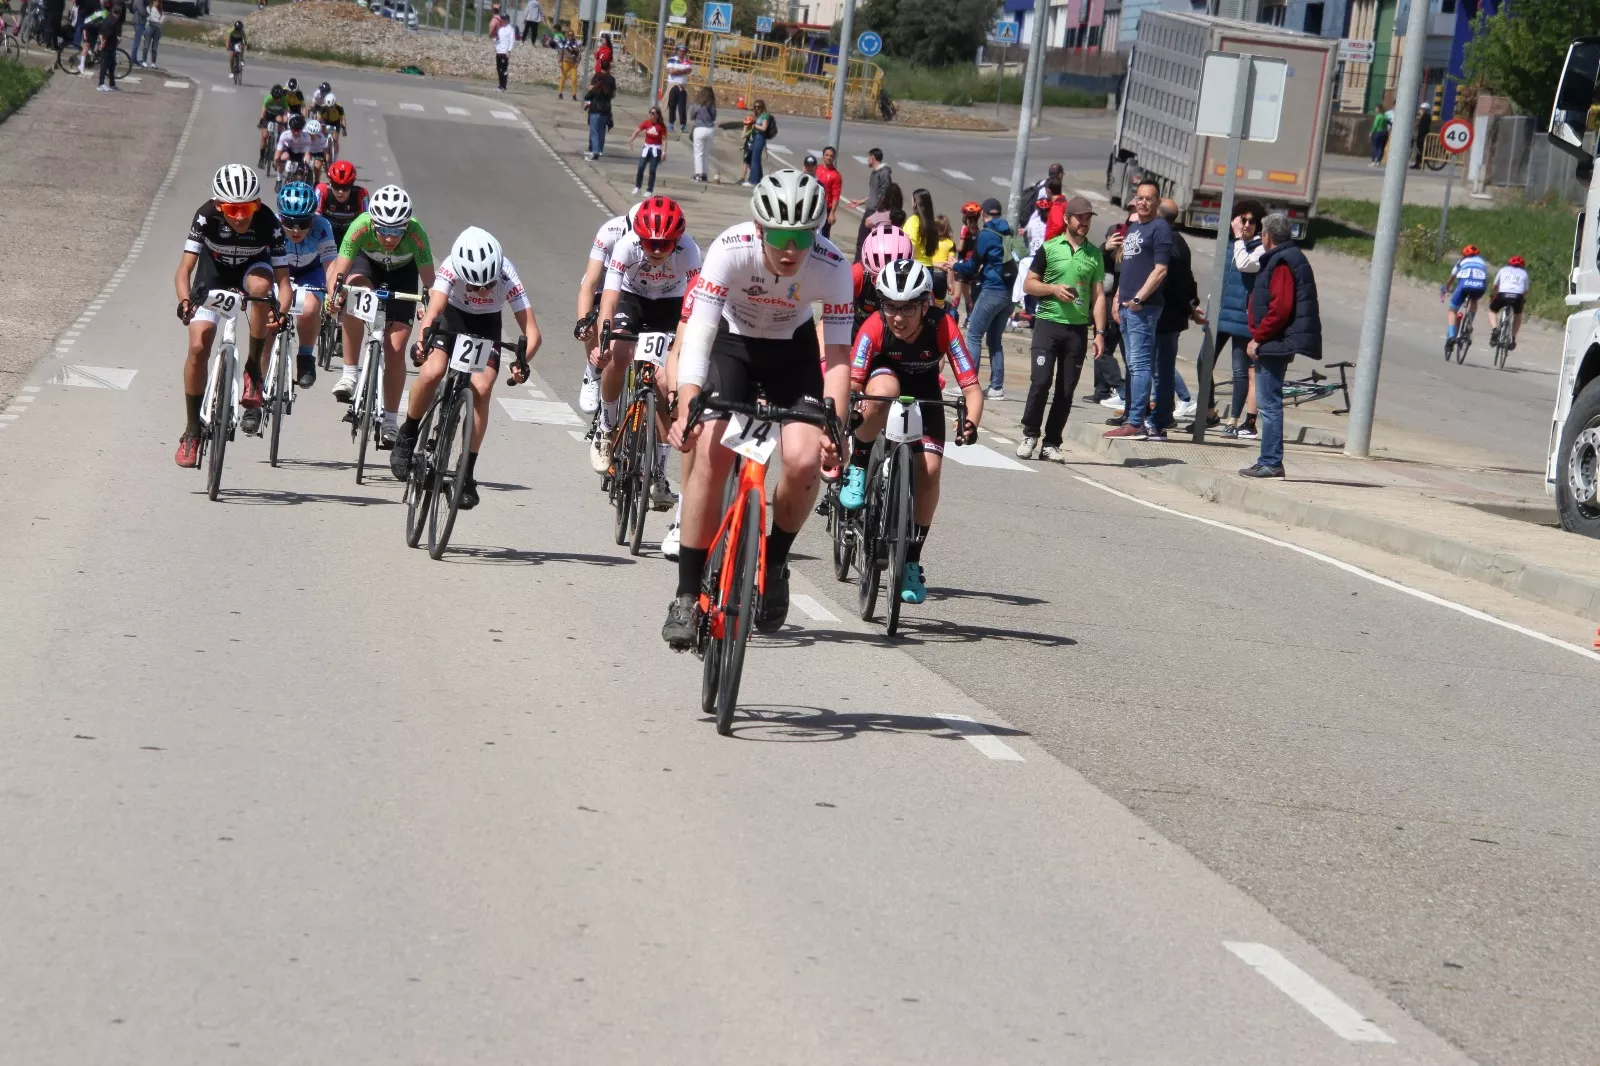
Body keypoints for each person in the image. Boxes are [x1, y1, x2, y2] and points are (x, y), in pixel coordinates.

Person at [659, 170, 849, 647]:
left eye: (803, 236)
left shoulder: (831, 266)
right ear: (760, 229)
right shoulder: (731, 248)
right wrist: (687, 408)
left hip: (793, 354)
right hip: (732, 345)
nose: (792, 248)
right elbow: (699, 336)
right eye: (782, 236)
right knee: (710, 450)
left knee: (805, 459)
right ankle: (685, 595)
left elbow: (841, 357)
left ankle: (776, 560)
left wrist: (836, 427)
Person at [838, 260, 983, 602]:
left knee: (929, 471)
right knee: (883, 390)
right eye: (890, 307)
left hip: (926, 392)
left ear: (925, 304)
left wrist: (970, 423)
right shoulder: (875, 326)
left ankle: (913, 561)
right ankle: (859, 467)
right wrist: (855, 414)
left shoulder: (943, 325)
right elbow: (854, 384)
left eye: (907, 308)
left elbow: (972, 389)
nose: (898, 318)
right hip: (882, 380)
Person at [392, 228, 542, 510]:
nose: (483, 291)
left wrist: (523, 361)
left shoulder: (507, 274)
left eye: (488, 284)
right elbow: (433, 311)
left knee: (482, 387)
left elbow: (532, 333)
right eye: (474, 286)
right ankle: (408, 432)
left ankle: (466, 472)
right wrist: (422, 342)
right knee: (432, 371)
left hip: (486, 325)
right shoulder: (450, 267)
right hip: (453, 316)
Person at [591, 196, 701, 527]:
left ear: (677, 240)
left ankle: (658, 471)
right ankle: (607, 426)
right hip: (632, 299)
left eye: (664, 243)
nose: (656, 249)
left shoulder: (690, 252)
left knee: (667, 381)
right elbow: (608, 299)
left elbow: (699, 304)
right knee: (621, 354)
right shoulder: (626, 246)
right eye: (650, 243)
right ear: (639, 237)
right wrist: (604, 341)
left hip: (670, 305)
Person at [171, 164, 291, 466]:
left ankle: (252, 371)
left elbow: (284, 283)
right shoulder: (206, 216)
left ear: (258, 204)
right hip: (213, 276)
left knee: (263, 290)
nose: (240, 216)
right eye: (231, 209)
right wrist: (185, 301)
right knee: (198, 348)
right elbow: (185, 269)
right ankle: (192, 430)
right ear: (218, 205)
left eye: (247, 208)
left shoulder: (268, 222)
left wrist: (282, 312)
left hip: (253, 271)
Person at [325, 185, 435, 449]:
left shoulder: (417, 235)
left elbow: (431, 283)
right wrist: (333, 298)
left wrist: (427, 306)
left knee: (395, 348)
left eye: (396, 231)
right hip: (368, 265)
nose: (389, 238)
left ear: (406, 227)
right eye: (383, 230)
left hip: (403, 273)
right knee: (353, 292)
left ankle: (389, 420)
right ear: (373, 223)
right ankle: (350, 372)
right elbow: (338, 273)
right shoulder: (361, 225)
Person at [1017, 196, 1106, 461]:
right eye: (1080, 218)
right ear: (1067, 219)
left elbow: (1099, 296)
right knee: (1041, 381)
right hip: (1047, 324)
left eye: (1088, 218)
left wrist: (1100, 332)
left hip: (1077, 330)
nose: (1085, 223)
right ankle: (1030, 434)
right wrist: (1053, 289)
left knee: (1065, 391)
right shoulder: (1050, 248)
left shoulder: (1094, 254)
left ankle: (1051, 443)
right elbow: (1029, 284)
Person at [1241, 213, 1321, 479]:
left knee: (1269, 404)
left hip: (1275, 342)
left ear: (1267, 236)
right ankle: (1267, 459)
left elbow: (1280, 308)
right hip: (1274, 340)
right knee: (1268, 403)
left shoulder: (1283, 261)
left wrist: (1259, 338)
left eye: (1261, 233)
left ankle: (1271, 461)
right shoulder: (1284, 258)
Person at [1103, 180, 1169, 439]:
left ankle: (1136, 422)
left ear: (1157, 202)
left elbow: (1160, 269)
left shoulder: (1159, 228)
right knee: (1132, 365)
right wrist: (1119, 297)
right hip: (1127, 306)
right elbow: (1126, 266)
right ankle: (1132, 416)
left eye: (1149, 198)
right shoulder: (1133, 228)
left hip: (1143, 308)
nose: (1143, 202)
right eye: (1140, 198)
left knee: (1140, 365)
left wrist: (1139, 299)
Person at [575, 203, 644, 417]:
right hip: (608, 276)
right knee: (596, 314)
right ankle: (593, 372)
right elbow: (590, 284)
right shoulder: (609, 232)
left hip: (638, 281)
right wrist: (583, 322)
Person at [952, 198, 1018, 401]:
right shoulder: (1009, 231)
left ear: (983, 215)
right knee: (994, 340)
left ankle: (968, 385)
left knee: (973, 335)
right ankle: (996, 387)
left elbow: (972, 265)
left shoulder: (987, 234)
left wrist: (954, 265)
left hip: (992, 290)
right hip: (1009, 293)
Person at [274, 182, 337, 390]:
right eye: (289, 222)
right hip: (280, 271)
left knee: (309, 309)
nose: (295, 229)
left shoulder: (322, 227)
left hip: (311, 271)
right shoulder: (271, 225)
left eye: (303, 223)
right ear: (280, 217)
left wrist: (332, 293)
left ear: (313, 218)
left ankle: (306, 357)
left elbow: (330, 265)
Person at [1149, 199, 1203, 441]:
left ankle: (1160, 418)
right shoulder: (1179, 242)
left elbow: (1174, 282)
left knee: (1160, 370)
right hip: (1173, 315)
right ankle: (1164, 415)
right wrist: (1192, 305)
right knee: (1162, 368)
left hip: (1164, 315)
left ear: (1159, 217)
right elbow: (1189, 281)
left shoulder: (1167, 243)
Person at [1215, 200, 1265, 439]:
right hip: (1220, 314)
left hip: (1242, 318)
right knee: (1204, 363)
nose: (1245, 225)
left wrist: (1238, 238)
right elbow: (1220, 277)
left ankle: (1233, 419)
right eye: (1242, 220)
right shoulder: (1227, 245)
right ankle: (1207, 411)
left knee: (1239, 371)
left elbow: (1246, 265)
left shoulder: (1259, 249)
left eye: (1251, 221)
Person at [853, 223, 914, 334]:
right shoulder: (857, 273)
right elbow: (830, 316)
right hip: (856, 331)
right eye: (875, 278)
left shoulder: (916, 278)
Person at [846, 148, 892, 258]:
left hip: (874, 212)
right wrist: (861, 202)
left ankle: (859, 265)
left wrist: (877, 212)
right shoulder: (875, 173)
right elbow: (875, 193)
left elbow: (884, 194)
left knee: (864, 241)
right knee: (862, 240)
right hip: (871, 209)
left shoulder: (884, 174)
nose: (867, 160)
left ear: (873, 157)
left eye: (868, 157)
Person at [1442, 243, 1489, 349]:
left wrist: (1446, 288)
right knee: (1474, 300)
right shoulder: (1482, 262)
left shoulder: (1461, 261)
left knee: (1452, 310)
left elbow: (1452, 277)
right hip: (1480, 286)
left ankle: (1451, 337)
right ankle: (1469, 323)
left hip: (1464, 285)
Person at [315, 159, 369, 246]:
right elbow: (315, 216)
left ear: (352, 184)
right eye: (336, 186)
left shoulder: (361, 193)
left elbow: (366, 220)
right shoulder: (322, 189)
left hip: (351, 234)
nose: (341, 191)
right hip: (327, 233)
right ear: (330, 182)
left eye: (346, 187)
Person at [1489, 254, 1529, 350]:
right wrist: (1522, 299)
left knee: (1492, 311)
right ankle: (1513, 338)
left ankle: (1495, 330)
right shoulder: (1524, 274)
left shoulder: (1502, 270)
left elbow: (1495, 286)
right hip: (1517, 296)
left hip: (1503, 294)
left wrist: (1493, 296)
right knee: (1518, 315)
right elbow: (1526, 291)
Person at [629, 105, 668, 195]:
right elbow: (637, 131)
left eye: (653, 113)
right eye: (650, 112)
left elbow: (665, 140)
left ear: (657, 115)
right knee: (641, 167)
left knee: (652, 170)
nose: (650, 114)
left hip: (656, 149)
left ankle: (649, 190)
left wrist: (663, 152)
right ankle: (637, 187)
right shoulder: (646, 123)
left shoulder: (661, 126)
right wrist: (631, 140)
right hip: (646, 148)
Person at [582, 67, 615, 160]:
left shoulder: (595, 89)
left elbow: (587, 97)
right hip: (606, 112)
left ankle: (595, 151)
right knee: (601, 131)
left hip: (595, 111)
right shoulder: (607, 91)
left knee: (594, 132)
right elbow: (611, 97)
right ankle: (600, 149)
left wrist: (589, 89)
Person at [903, 187, 939, 267]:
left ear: (915, 203)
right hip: (929, 266)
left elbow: (912, 243)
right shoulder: (931, 222)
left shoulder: (913, 220)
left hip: (915, 266)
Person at [689, 86, 717, 182]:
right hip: (710, 130)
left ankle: (698, 175)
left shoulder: (697, 105)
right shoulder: (712, 106)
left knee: (698, 154)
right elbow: (713, 118)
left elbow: (691, 117)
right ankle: (704, 174)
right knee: (705, 154)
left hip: (699, 129)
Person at [815, 146, 843, 240]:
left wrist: (832, 213)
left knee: (824, 235)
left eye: (831, 156)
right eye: (827, 155)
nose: (829, 157)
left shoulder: (836, 176)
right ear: (823, 156)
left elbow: (836, 196)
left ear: (834, 158)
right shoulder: (816, 169)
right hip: (814, 205)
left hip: (826, 208)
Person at [95, 0, 123, 91]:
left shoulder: (107, 18)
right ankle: (101, 84)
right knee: (105, 65)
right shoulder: (115, 22)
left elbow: (101, 31)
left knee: (111, 65)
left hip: (108, 45)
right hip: (109, 46)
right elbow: (109, 34)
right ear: (119, 13)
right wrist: (104, 42)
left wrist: (101, 40)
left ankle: (112, 83)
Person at [258, 86, 289, 163]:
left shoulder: (284, 100)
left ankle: (278, 145)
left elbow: (285, 113)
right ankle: (261, 157)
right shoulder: (268, 98)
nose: (276, 100)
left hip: (277, 115)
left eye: (278, 98)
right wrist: (261, 120)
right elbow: (263, 112)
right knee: (264, 136)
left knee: (281, 125)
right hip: (268, 115)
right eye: (274, 98)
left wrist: (285, 121)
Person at [664, 45, 691, 131]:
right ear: (677, 51)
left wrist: (677, 71)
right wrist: (681, 71)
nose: (681, 52)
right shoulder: (671, 59)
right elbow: (670, 71)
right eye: (680, 51)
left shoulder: (687, 61)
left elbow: (688, 71)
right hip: (673, 85)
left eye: (683, 51)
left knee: (682, 106)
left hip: (682, 86)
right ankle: (671, 123)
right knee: (672, 105)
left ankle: (683, 125)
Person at [746, 99, 773, 186]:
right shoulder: (759, 116)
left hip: (760, 138)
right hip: (756, 138)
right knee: (755, 159)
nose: (756, 109)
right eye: (755, 107)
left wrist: (755, 126)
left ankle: (753, 181)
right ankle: (760, 179)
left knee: (755, 160)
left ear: (762, 107)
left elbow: (764, 128)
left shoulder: (764, 116)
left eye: (758, 107)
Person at [318, 94, 346, 160]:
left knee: (335, 140)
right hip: (325, 122)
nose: (329, 108)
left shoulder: (339, 108)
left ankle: (335, 156)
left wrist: (344, 129)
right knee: (323, 139)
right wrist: (319, 126)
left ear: (334, 104)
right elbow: (318, 119)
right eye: (328, 107)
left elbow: (343, 119)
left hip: (335, 123)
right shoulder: (322, 108)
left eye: (331, 107)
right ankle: (324, 153)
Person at [493, 14, 514, 92]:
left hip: (504, 52)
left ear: (508, 20)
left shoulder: (510, 29)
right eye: (502, 19)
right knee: (499, 69)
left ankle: (503, 86)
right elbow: (495, 38)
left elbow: (512, 41)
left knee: (504, 69)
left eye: (504, 19)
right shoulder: (499, 28)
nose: (503, 21)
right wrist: (495, 38)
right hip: (498, 51)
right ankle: (500, 85)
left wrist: (509, 51)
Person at [556, 33, 580, 98]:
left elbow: (579, 53)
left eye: (571, 35)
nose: (570, 36)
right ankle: (560, 93)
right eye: (569, 35)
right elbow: (560, 52)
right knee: (563, 77)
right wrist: (560, 62)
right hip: (565, 62)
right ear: (566, 35)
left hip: (573, 63)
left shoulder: (576, 43)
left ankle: (574, 94)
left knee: (574, 79)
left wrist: (578, 62)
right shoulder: (564, 43)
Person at [1410, 102, 1433, 169]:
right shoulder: (1424, 117)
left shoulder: (1426, 117)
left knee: (1420, 150)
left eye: (1422, 109)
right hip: (1421, 136)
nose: (1420, 110)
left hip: (1422, 136)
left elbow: (1424, 127)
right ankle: (1418, 163)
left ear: (1425, 110)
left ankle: (1420, 163)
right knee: (1419, 150)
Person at [139, 0, 161, 65]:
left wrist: (157, 20)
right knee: (146, 45)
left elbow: (162, 19)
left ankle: (153, 63)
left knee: (155, 47)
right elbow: (149, 18)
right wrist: (157, 19)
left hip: (157, 28)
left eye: (157, 2)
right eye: (155, 1)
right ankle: (144, 61)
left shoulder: (160, 10)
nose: (156, 3)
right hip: (149, 27)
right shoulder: (149, 8)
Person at [128, 0, 145, 67]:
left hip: (139, 21)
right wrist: (148, 13)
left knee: (137, 41)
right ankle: (133, 59)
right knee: (136, 41)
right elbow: (142, 12)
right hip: (139, 21)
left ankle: (134, 58)